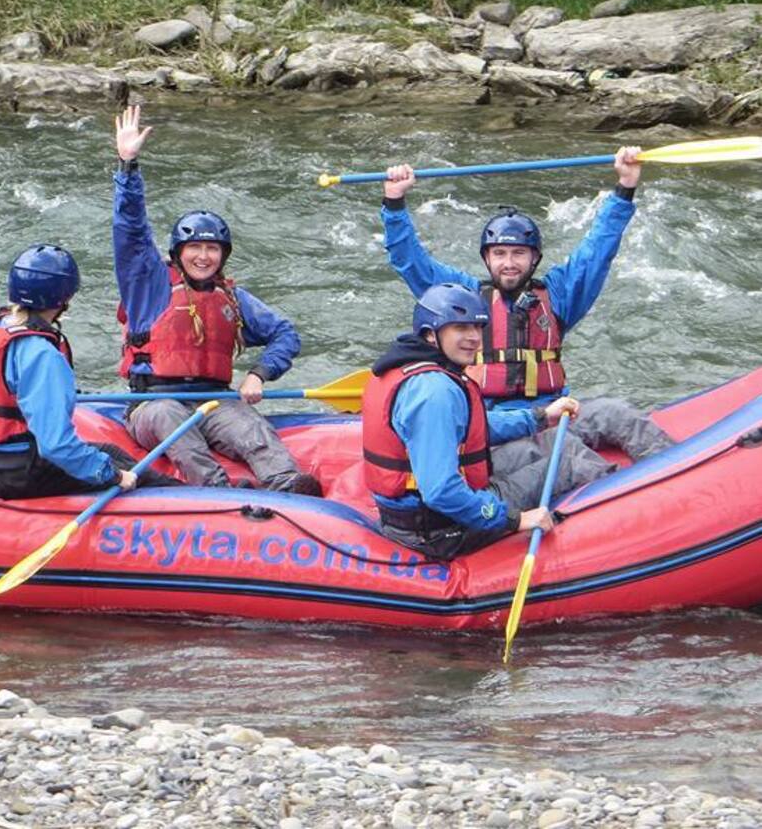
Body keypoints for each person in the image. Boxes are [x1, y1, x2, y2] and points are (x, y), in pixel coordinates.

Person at [379, 148, 672, 461]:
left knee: (620, 414)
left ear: (534, 259)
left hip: (556, 413)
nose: (509, 263)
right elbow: (410, 261)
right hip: (496, 426)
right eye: (499, 254)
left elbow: (598, 249)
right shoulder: (461, 299)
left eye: (519, 253)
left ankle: (675, 470)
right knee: (568, 454)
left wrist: (625, 186)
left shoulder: (558, 294)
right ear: (487, 258)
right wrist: (395, 202)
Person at [111, 104, 322, 496]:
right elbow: (131, 231)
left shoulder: (232, 297)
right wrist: (128, 167)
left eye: (212, 249)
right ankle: (218, 491)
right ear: (178, 253)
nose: (204, 256)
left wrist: (259, 373)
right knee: (170, 417)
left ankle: (287, 485)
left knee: (250, 425)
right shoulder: (148, 284)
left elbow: (284, 333)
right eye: (195, 248)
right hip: (152, 404)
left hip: (214, 401)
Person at [363, 283, 616, 559]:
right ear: (430, 334)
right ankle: (622, 525)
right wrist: (515, 520)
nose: (473, 337)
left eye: (477, 327)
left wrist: (540, 417)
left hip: (423, 513)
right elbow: (440, 492)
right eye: (460, 328)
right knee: (571, 465)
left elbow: (473, 426)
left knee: (551, 442)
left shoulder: (415, 368)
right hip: (440, 528)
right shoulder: (434, 392)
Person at [0, 243, 179, 499]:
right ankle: (187, 499)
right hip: (20, 476)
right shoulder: (43, 355)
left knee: (110, 452)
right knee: (131, 473)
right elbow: (55, 445)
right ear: (65, 298)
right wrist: (114, 476)